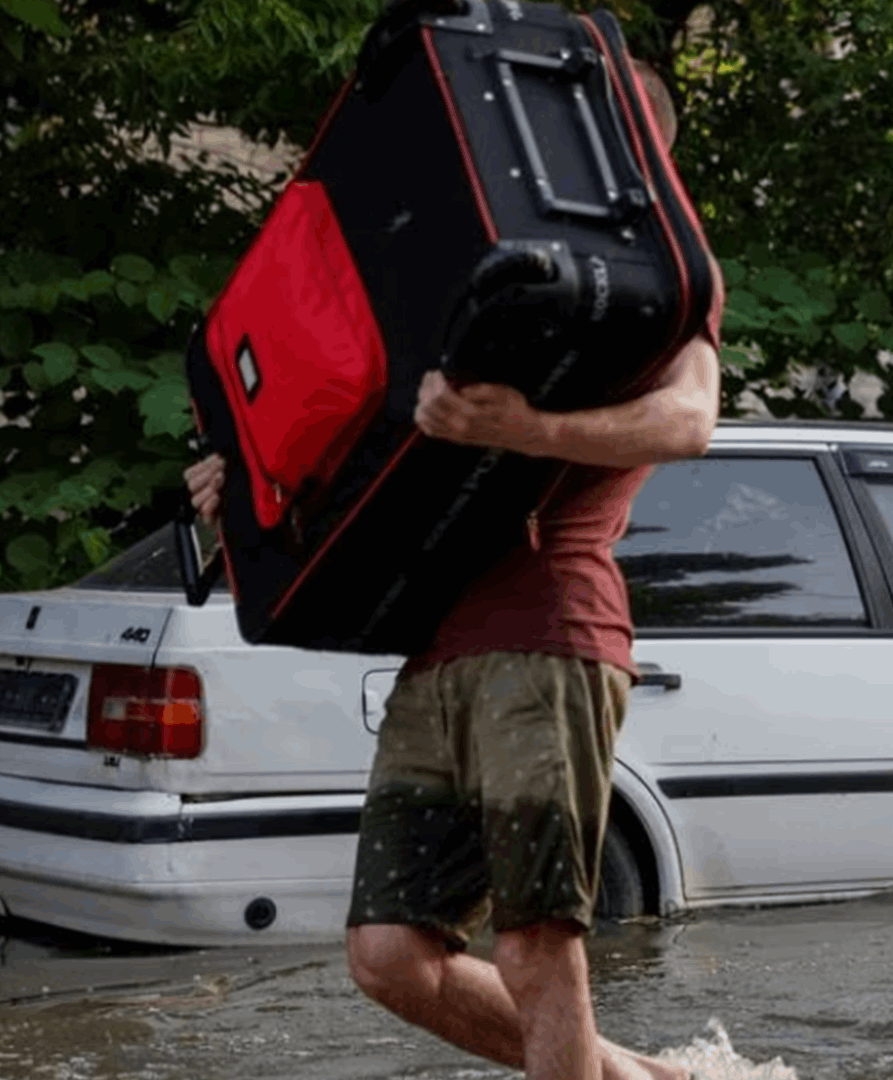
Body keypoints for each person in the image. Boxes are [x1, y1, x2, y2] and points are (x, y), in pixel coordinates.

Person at [186, 61, 714, 1080]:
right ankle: (654, 1078)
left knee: (535, 943)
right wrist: (246, 489)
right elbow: (359, 444)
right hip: (437, 643)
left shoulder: (662, 282)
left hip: (548, 632)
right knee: (390, 954)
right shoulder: (466, 262)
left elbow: (691, 420)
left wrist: (533, 428)